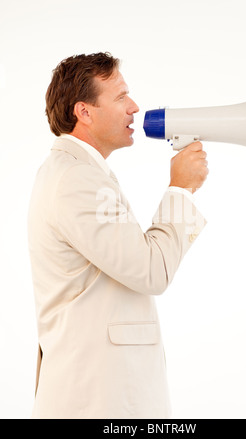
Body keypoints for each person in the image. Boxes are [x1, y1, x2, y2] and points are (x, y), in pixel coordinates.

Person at [27, 52, 208, 419]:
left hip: (97, 392)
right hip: (98, 399)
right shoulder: (78, 179)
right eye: (121, 96)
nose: (135, 107)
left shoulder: (76, 172)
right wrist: (181, 190)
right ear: (85, 112)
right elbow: (151, 271)